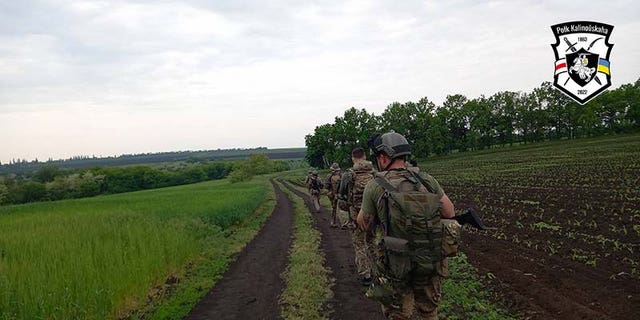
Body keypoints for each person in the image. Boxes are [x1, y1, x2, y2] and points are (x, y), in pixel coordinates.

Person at [357, 132, 455, 320]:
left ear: (384, 157)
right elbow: (449, 212)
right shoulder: (426, 179)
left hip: (395, 265)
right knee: (428, 312)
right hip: (428, 260)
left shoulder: (375, 185)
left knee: (399, 314)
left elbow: (364, 223)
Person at [338, 147, 375, 285]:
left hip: (356, 214)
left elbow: (342, 198)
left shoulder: (349, 174)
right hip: (372, 214)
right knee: (372, 241)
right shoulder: (374, 173)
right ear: (365, 156)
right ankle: (376, 270)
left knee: (359, 244)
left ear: (353, 158)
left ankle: (366, 275)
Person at [325, 163, 342, 228]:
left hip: (332, 194)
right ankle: (343, 222)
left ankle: (333, 222)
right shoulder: (341, 175)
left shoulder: (329, 176)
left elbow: (326, 186)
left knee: (334, 208)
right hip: (341, 194)